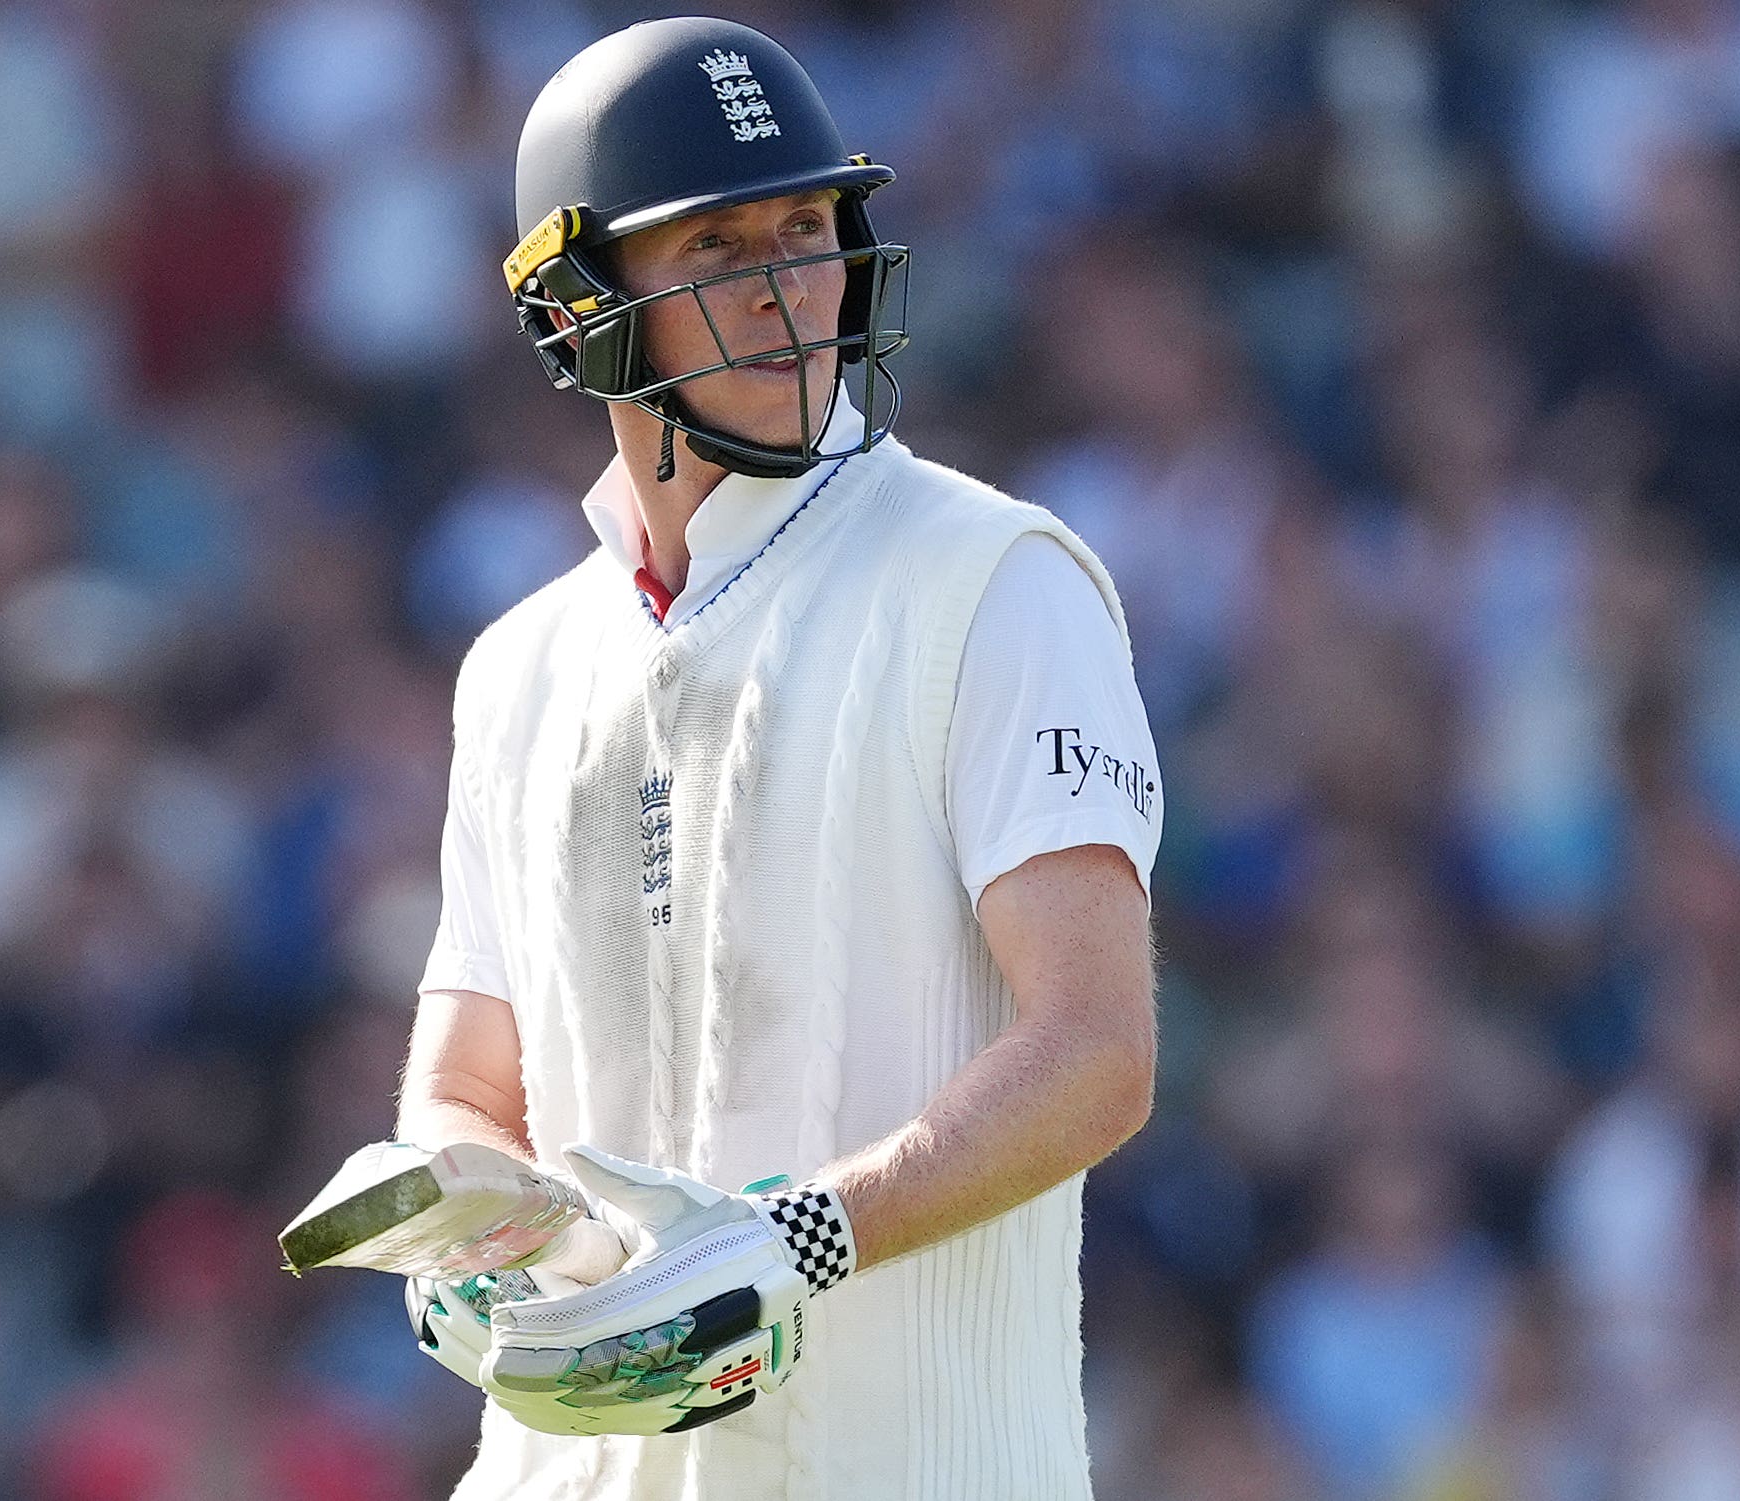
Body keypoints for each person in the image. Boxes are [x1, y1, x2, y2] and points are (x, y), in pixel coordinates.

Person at [396, 16, 1162, 1499]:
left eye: (805, 228)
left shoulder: (997, 578)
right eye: (714, 250)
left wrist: (797, 1235)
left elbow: (1098, 1052)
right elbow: (465, 1087)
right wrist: (458, 1240)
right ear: (577, 304)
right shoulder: (518, 670)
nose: (784, 292)